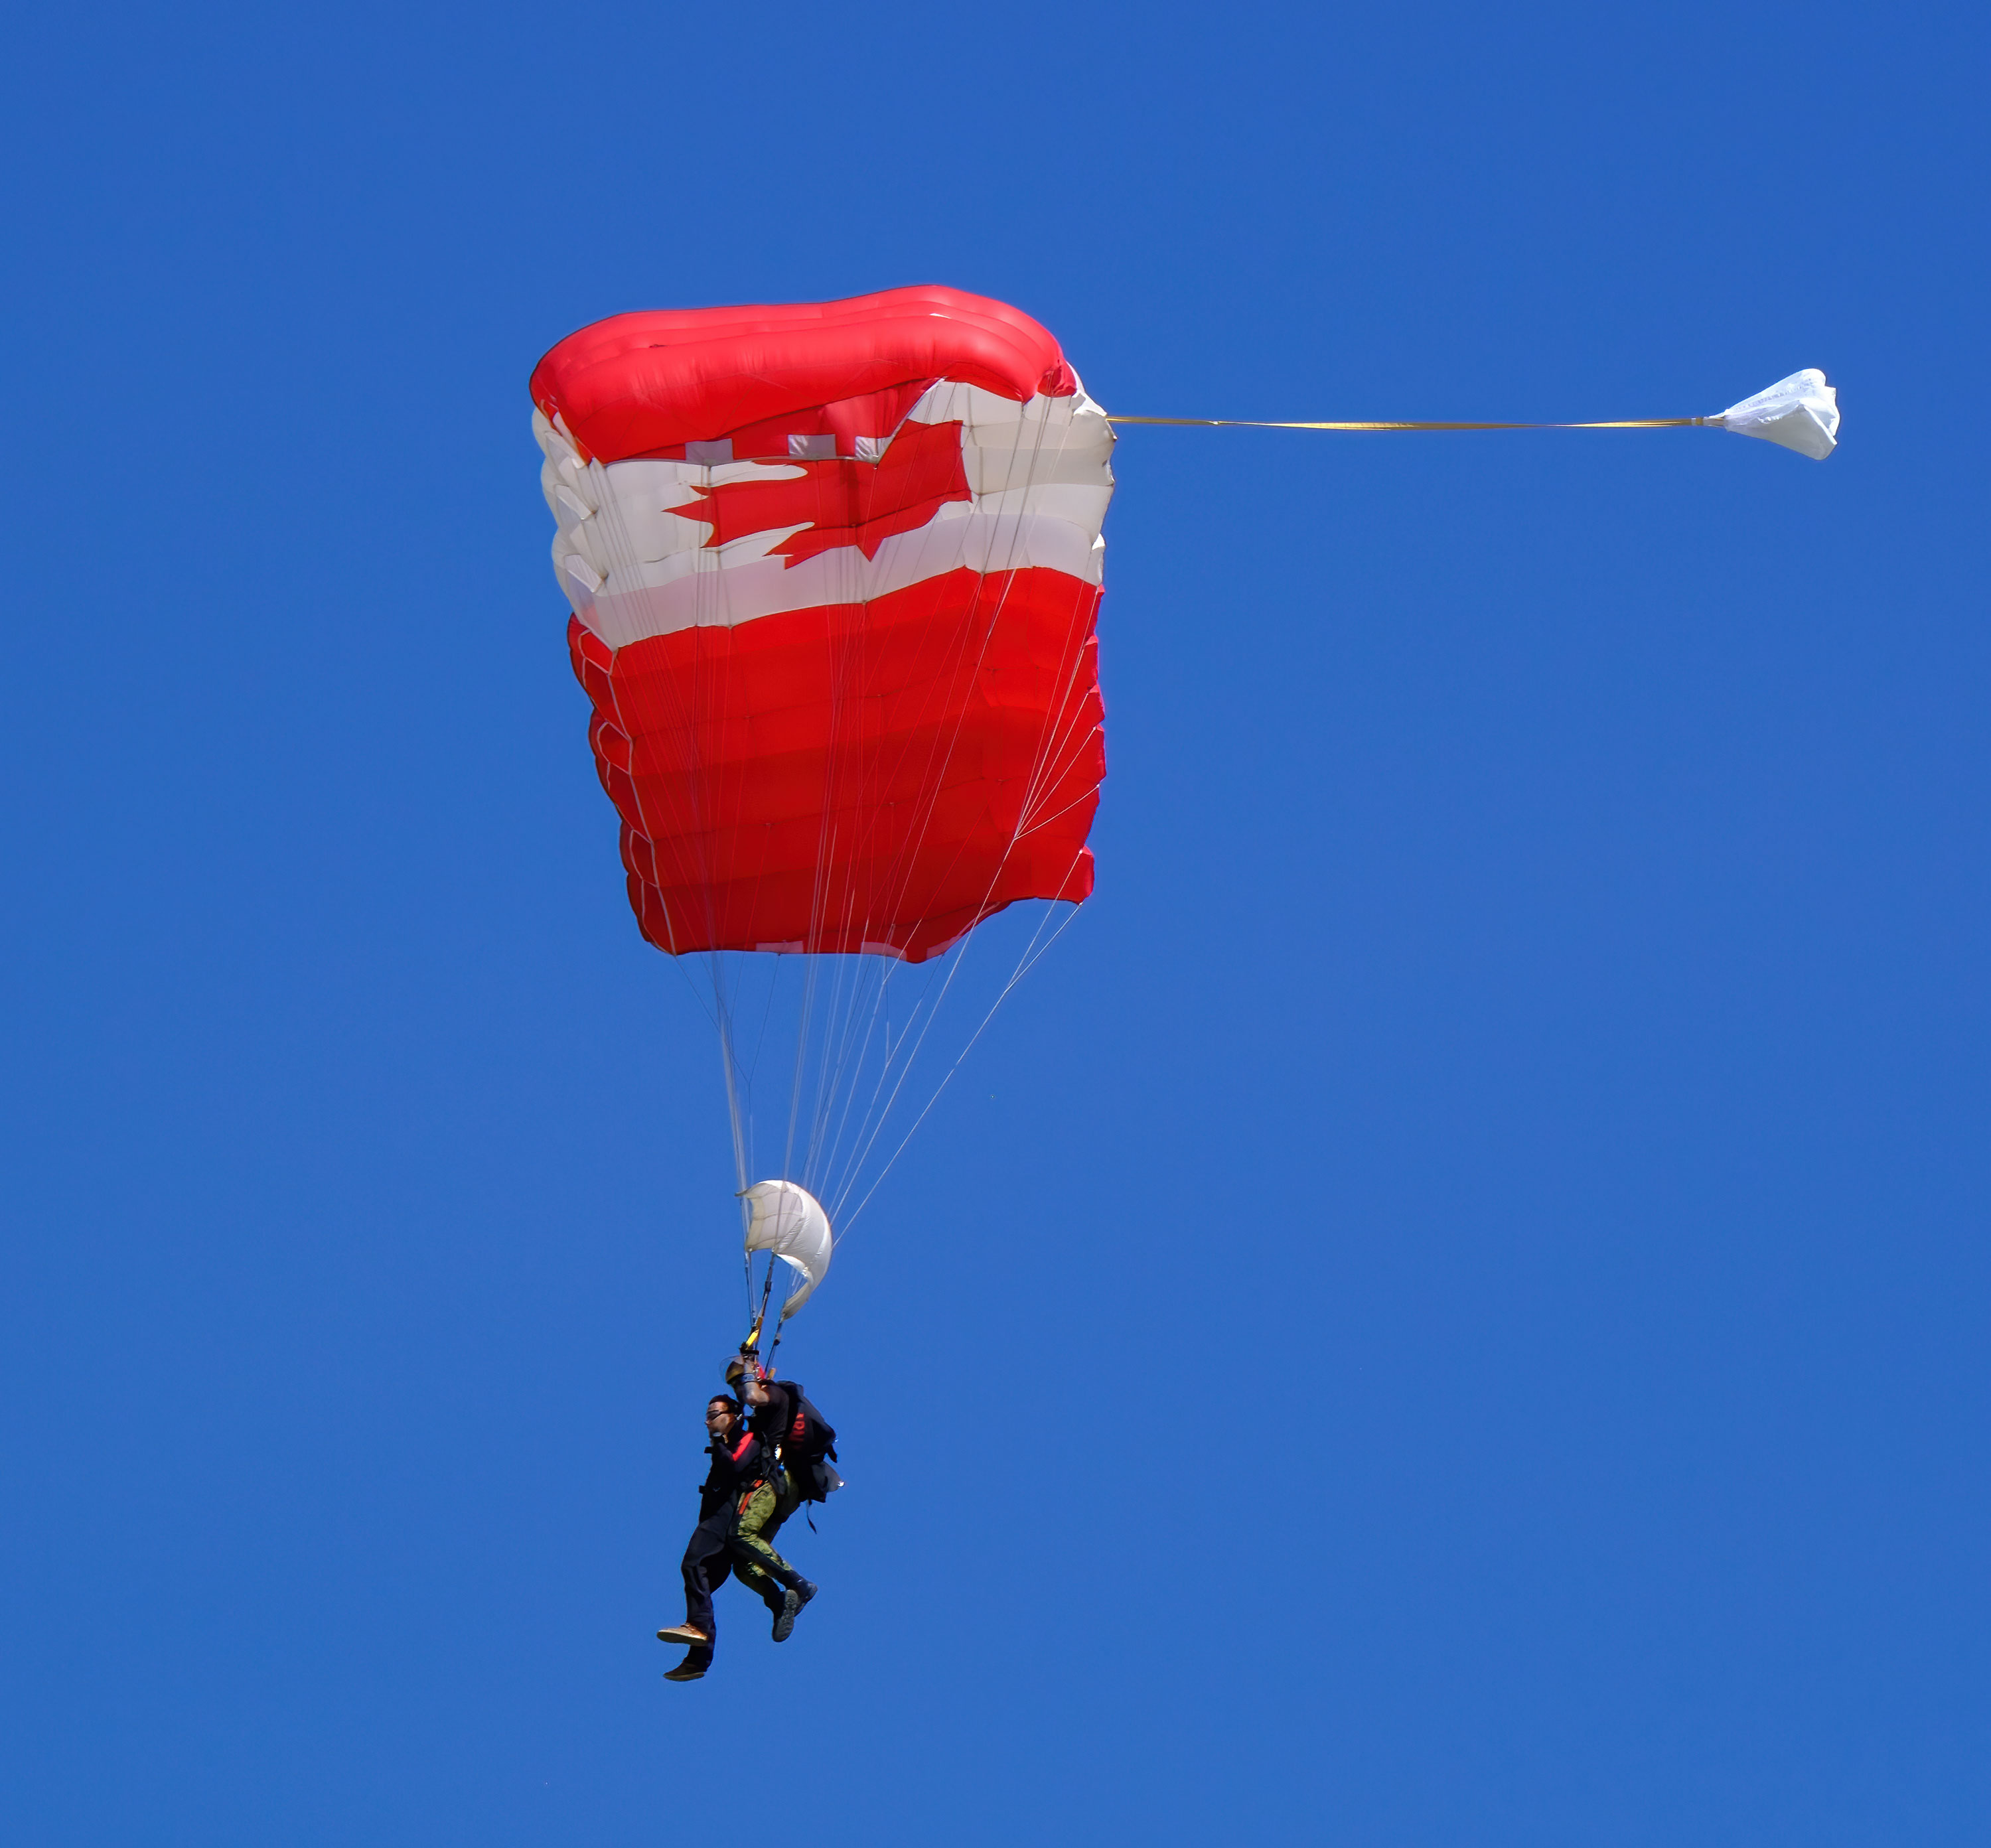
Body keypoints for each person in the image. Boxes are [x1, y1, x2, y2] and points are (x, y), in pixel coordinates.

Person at [656, 1394, 757, 1681]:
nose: (707, 1421)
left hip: (726, 1516)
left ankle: (697, 1629)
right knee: (701, 1583)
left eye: (714, 1415)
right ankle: (699, 1659)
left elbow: (734, 1468)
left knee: (692, 1565)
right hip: (715, 1517)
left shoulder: (747, 1440)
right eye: (707, 1416)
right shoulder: (725, 1442)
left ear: (733, 1415)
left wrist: (718, 1440)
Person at [723, 1357, 819, 1641]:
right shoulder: (761, 1411)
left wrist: (749, 1369)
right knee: (744, 1564)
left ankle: (800, 1585)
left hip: (775, 1480)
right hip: (782, 1490)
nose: (740, 1391)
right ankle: (779, 1603)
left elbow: (755, 1395)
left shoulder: (774, 1394)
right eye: (734, 1386)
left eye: (741, 1382)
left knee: (740, 1535)